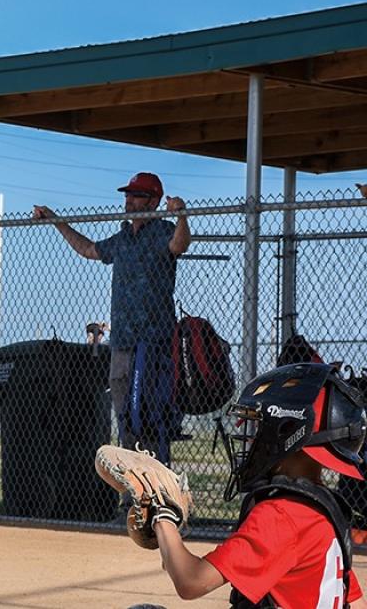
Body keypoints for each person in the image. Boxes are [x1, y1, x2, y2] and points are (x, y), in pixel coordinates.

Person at [149, 362, 366, 608]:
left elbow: (191, 581)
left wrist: (163, 516)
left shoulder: (282, 515)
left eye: (260, 427)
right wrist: (169, 546)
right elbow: (354, 601)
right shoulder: (326, 511)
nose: (253, 439)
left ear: (288, 433)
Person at [33, 172, 191, 465]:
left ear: (154, 201)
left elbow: (179, 245)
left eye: (137, 196)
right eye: (127, 196)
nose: (129, 201)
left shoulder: (162, 231)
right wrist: (56, 221)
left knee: (151, 420)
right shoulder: (122, 239)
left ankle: (157, 491)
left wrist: (182, 216)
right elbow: (88, 249)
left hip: (154, 344)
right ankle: (131, 499)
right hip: (122, 344)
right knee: (126, 421)